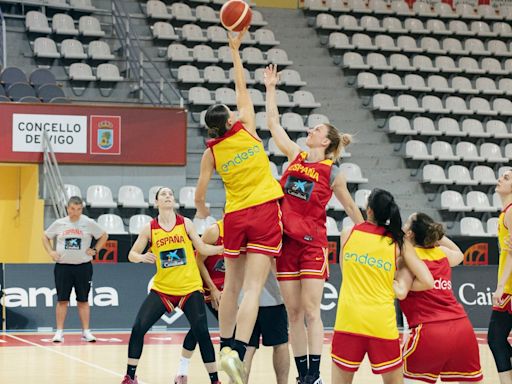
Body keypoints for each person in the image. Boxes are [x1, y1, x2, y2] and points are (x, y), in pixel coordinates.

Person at [263, 64, 364, 384]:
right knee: (293, 314)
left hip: (312, 245)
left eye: (318, 129)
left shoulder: (333, 172)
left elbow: (350, 207)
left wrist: (367, 235)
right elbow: (274, 124)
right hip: (286, 245)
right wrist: (270, 88)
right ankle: (302, 374)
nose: (312, 130)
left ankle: (314, 374)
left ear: (327, 141)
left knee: (311, 311)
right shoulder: (295, 155)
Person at [194, 28, 284, 384]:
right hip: (263, 211)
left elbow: (200, 197)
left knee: (230, 287)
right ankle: (238, 349)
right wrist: (235, 50)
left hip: (233, 216)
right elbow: (242, 87)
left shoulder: (211, 152)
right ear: (230, 120)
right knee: (251, 289)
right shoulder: (246, 127)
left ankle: (226, 347)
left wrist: (202, 213)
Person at [331, 189, 434, 384]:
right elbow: (427, 280)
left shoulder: (348, 233)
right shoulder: (397, 242)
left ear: (369, 210)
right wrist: (393, 286)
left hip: (348, 320)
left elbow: (346, 273)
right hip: (381, 323)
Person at [121, 187, 223, 384]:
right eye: (163, 195)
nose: (168, 196)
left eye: (170, 194)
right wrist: (142, 257)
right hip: (163, 290)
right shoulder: (149, 228)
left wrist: (222, 248)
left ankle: (215, 380)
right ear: (156, 202)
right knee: (138, 327)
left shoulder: (185, 223)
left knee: (201, 331)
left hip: (190, 287)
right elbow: (131, 255)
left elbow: (201, 248)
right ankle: (130, 376)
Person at [174, 220, 290, 384]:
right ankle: (187, 369)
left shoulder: (240, 226)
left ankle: (221, 362)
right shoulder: (267, 221)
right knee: (274, 345)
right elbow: (199, 257)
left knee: (246, 348)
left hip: (242, 295)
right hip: (241, 293)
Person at [396, 213, 483, 384]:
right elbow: (460, 254)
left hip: (430, 331)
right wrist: (437, 235)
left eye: (407, 223)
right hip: (462, 329)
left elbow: (401, 291)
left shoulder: (407, 259)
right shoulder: (442, 253)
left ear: (410, 234)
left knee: (398, 378)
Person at [42, 195, 108, 343]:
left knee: (83, 300)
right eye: (73, 209)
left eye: (78, 209)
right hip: (63, 267)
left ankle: (86, 331)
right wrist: (51, 252)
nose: (75, 212)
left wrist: (95, 250)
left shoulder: (88, 223)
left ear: (81, 209)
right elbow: (45, 236)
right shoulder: (59, 223)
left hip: (83, 267)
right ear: (68, 208)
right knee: (62, 300)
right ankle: (59, 332)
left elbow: (104, 235)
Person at [174, 220, 225, 384]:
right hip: (200, 282)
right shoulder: (214, 231)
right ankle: (183, 371)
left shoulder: (243, 232)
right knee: (200, 327)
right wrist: (213, 289)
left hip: (225, 285)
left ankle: (234, 374)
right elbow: (198, 261)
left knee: (200, 328)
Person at [489, 169, 512, 384]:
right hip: (508, 288)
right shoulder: (506, 212)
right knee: (496, 339)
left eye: (506, 178)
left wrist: (500, 286)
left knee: (495, 339)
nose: (499, 179)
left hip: (510, 289)